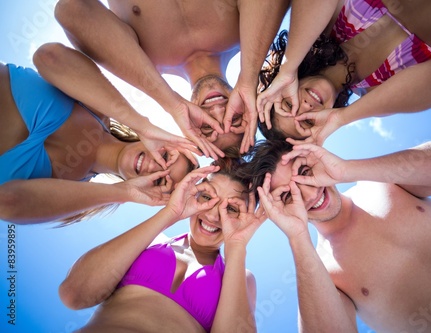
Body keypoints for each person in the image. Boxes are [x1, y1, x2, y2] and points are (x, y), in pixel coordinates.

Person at [240, 139, 431, 332]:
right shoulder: (325, 275)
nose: (309, 194)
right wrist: (297, 236)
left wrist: (346, 170)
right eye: (287, 195)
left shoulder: (385, 182)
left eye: (305, 173)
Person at [53, 0, 290, 157]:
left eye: (208, 130)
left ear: (193, 128)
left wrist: (171, 103)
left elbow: (71, 10)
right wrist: (248, 79)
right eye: (235, 119)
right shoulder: (246, 31)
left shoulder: (142, 60)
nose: (217, 113)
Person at [59, 161, 266, 333]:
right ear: (194, 193)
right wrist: (171, 213)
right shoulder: (150, 240)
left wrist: (237, 246)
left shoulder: (239, 276)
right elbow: (74, 293)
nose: (213, 215)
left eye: (231, 208)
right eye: (207, 197)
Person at [256, 0, 431, 144]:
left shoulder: (321, 25)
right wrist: (342, 118)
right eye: (306, 122)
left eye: (289, 106)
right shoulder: (376, 93)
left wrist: (288, 69)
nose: (305, 107)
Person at [0, 62, 197, 225]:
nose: (154, 167)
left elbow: (7, 202)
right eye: (164, 157)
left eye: (160, 180)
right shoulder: (98, 107)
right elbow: (48, 57)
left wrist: (124, 192)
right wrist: (142, 126)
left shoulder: (73, 195)